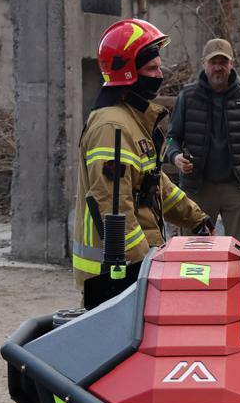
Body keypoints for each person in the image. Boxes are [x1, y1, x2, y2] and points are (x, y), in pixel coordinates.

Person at [74, 18, 211, 310]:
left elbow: (155, 182)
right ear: (128, 74)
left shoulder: (132, 122)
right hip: (113, 271)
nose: (159, 75)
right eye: (152, 69)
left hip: (134, 264)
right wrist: (142, 264)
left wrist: (195, 217)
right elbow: (113, 204)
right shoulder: (112, 126)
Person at [164, 38, 240, 244]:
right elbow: (171, 138)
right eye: (213, 62)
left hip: (236, 187)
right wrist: (175, 156)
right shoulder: (187, 96)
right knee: (193, 251)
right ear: (204, 64)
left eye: (223, 62)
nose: (218, 67)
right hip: (198, 186)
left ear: (231, 64)